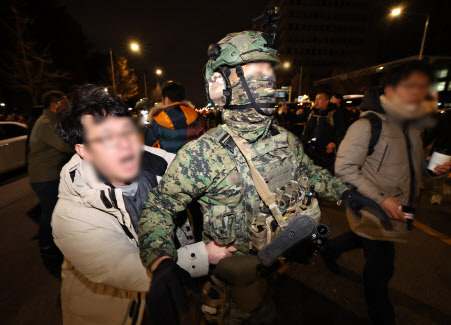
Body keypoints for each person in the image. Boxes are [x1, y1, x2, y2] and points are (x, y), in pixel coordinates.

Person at [138, 30, 389, 324]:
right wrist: (161, 260)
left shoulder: (283, 138)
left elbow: (309, 172)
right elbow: (158, 208)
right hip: (231, 287)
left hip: (274, 269)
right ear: (221, 85)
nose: (268, 83)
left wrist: (344, 192)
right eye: (254, 72)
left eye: (270, 72)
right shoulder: (203, 154)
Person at [52, 84, 208, 325]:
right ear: (83, 150)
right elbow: (132, 270)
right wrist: (207, 255)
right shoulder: (70, 215)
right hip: (118, 313)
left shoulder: (164, 164)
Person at [322, 61, 451, 325]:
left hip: (398, 207)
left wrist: (432, 169)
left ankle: (328, 250)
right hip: (374, 207)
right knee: (381, 268)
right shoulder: (367, 125)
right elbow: (344, 168)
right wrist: (381, 198)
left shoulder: (412, 126)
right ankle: (382, 317)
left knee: (363, 239)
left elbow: (410, 166)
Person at [28, 90, 74, 256]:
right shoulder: (47, 123)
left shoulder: (51, 120)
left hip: (48, 173)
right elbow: (63, 145)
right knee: (51, 210)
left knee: (53, 208)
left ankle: (51, 239)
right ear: (56, 105)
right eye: (64, 102)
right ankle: (46, 243)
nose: (67, 106)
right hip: (45, 176)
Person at [144, 81, 205, 153]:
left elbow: (148, 149)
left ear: (166, 99)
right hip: (193, 162)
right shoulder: (197, 118)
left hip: (166, 163)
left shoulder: (156, 123)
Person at [302, 91, 339, 172]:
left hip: (325, 152)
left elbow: (340, 131)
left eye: (319, 99)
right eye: (315, 99)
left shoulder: (335, 114)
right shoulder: (312, 113)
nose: (316, 101)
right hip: (310, 151)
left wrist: (334, 142)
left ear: (327, 101)